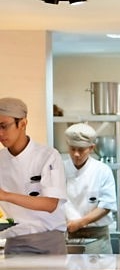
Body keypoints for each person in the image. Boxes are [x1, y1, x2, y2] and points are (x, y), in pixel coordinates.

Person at [0, 97, 67, 255]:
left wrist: (5, 196)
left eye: (4, 126)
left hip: (49, 240)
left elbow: (50, 204)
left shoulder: (48, 156)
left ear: (23, 123)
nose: (0, 133)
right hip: (14, 241)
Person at [63, 123, 117, 254]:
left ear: (91, 148)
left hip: (96, 237)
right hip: (67, 235)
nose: (76, 154)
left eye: (81, 150)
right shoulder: (60, 168)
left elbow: (106, 205)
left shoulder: (102, 171)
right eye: (72, 149)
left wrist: (80, 223)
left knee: (98, 267)